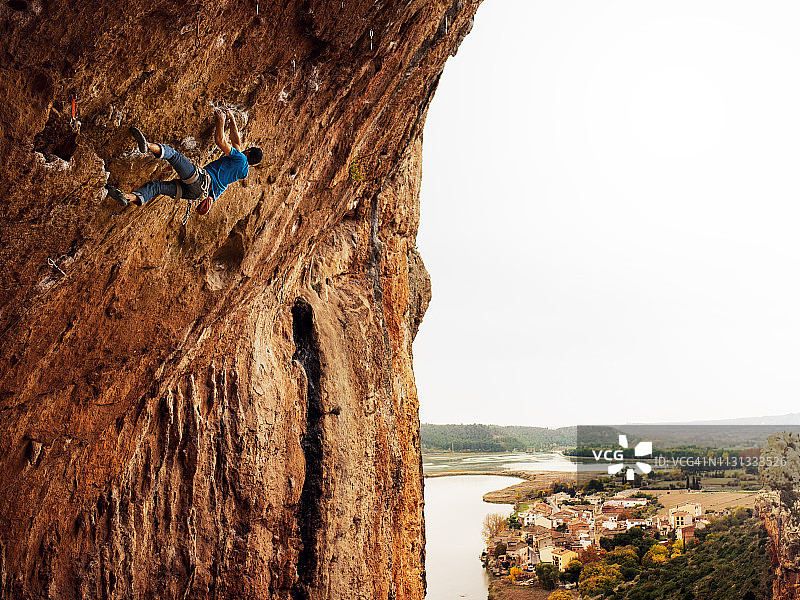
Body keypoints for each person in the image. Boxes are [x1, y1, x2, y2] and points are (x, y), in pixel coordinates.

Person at [105, 108, 262, 219]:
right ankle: (127, 197)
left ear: (247, 152)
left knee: (174, 155)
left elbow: (221, 141)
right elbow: (236, 142)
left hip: (200, 180)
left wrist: (221, 121)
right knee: (157, 187)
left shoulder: (240, 158)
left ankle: (148, 146)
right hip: (196, 194)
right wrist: (232, 119)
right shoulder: (243, 170)